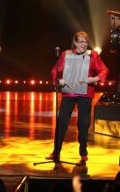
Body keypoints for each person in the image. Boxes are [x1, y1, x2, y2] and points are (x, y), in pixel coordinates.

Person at [46, 31, 108, 161]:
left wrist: (94, 79)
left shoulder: (93, 55)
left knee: (83, 124)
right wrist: (58, 80)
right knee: (62, 123)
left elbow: (104, 70)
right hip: (69, 93)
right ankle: (56, 152)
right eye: (81, 42)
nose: (84, 45)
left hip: (85, 94)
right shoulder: (66, 55)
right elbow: (54, 71)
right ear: (75, 42)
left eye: (86, 42)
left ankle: (83, 151)